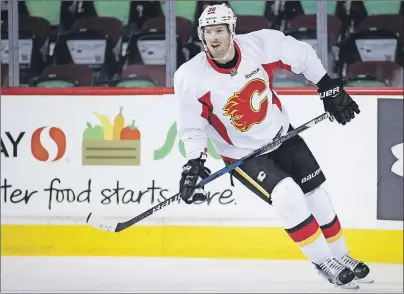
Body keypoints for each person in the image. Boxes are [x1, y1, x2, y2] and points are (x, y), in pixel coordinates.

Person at [174, 3, 370, 290]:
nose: (213, 38)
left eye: (219, 30)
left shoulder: (260, 45)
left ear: (232, 30)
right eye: (207, 32)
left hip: (280, 134)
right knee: (287, 194)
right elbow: (193, 126)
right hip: (242, 154)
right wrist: (193, 162)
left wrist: (327, 85)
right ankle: (323, 262)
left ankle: (343, 257)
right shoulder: (190, 76)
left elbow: (302, 55)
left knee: (317, 195)